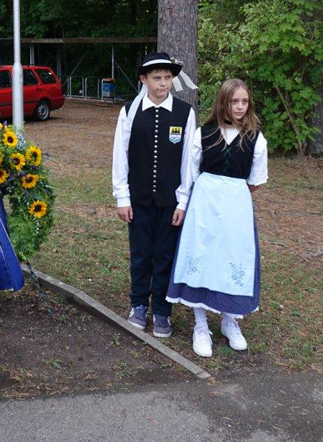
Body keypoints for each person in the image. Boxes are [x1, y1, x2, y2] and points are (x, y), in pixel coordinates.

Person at [166, 78, 268, 357]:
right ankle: (200, 325)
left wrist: (230, 193)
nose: (239, 106)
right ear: (223, 102)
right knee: (204, 256)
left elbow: (255, 181)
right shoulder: (204, 133)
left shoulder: (256, 139)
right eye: (234, 101)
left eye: (244, 101)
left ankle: (229, 320)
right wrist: (185, 204)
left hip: (236, 206)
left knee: (232, 257)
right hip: (205, 205)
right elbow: (190, 173)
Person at [112, 51, 196, 338]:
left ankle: (161, 309)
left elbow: (188, 162)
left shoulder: (185, 113)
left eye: (168, 78)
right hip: (139, 200)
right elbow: (120, 157)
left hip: (170, 202)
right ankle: (138, 304)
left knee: (164, 255)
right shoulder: (130, 112)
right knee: (140, 253)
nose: (163, 83)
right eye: (157, 78)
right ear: (144, 80)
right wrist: (122, 197)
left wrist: (183, 201)